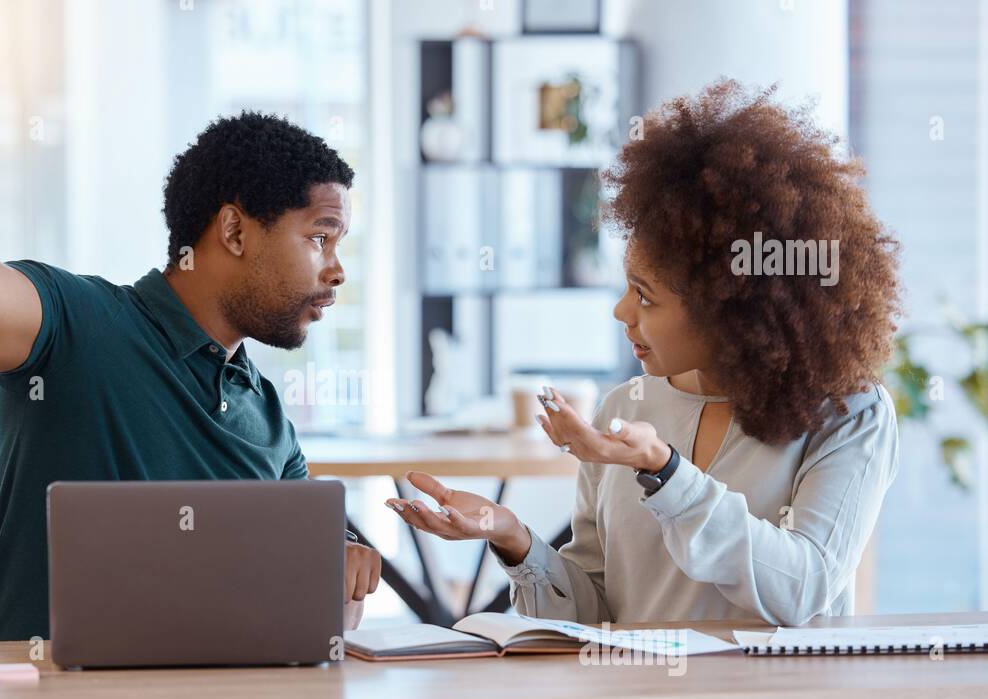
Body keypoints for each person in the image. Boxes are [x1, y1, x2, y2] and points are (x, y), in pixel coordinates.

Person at [0, 111, 380, 641]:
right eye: (320, 238)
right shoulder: (77, 324)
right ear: (235, 231)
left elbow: (315, 537)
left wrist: (345, 550)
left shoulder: (266, 413)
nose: (336, 271)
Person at [387, 81, 902, 627]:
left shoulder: (849, 414)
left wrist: (665, 471)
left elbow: (804, 589)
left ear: (733, 306)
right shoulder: (625, 408)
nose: (621, 312)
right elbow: (595, 613)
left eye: (645, 295)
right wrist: (512, 537)